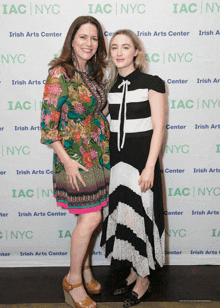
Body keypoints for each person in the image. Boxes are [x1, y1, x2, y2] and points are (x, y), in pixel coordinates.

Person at [40, 16, 110, 308]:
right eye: (83, 37)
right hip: (74, 158)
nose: (89, 43)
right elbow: (48, 124)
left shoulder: (92, 73)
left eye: (94, 38)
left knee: (91, 217)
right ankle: (73, 280)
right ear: (72, 40)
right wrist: (66, 161)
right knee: (91, 217)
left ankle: (84, 268)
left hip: (98, 155)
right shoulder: (60, 73)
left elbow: (97, 112)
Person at [101, 29, 165, 307]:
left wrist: (150, 167)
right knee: (125, 217)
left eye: (125, 47)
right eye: (114, 47)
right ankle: (131, 270)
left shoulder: (153, 82)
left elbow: (159, 128)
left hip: (142, 163)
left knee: (142, 217)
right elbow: (101, 122)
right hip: (117, 163)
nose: (119, 52)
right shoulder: (110, 88)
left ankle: (144, 279)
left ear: (136, 52)